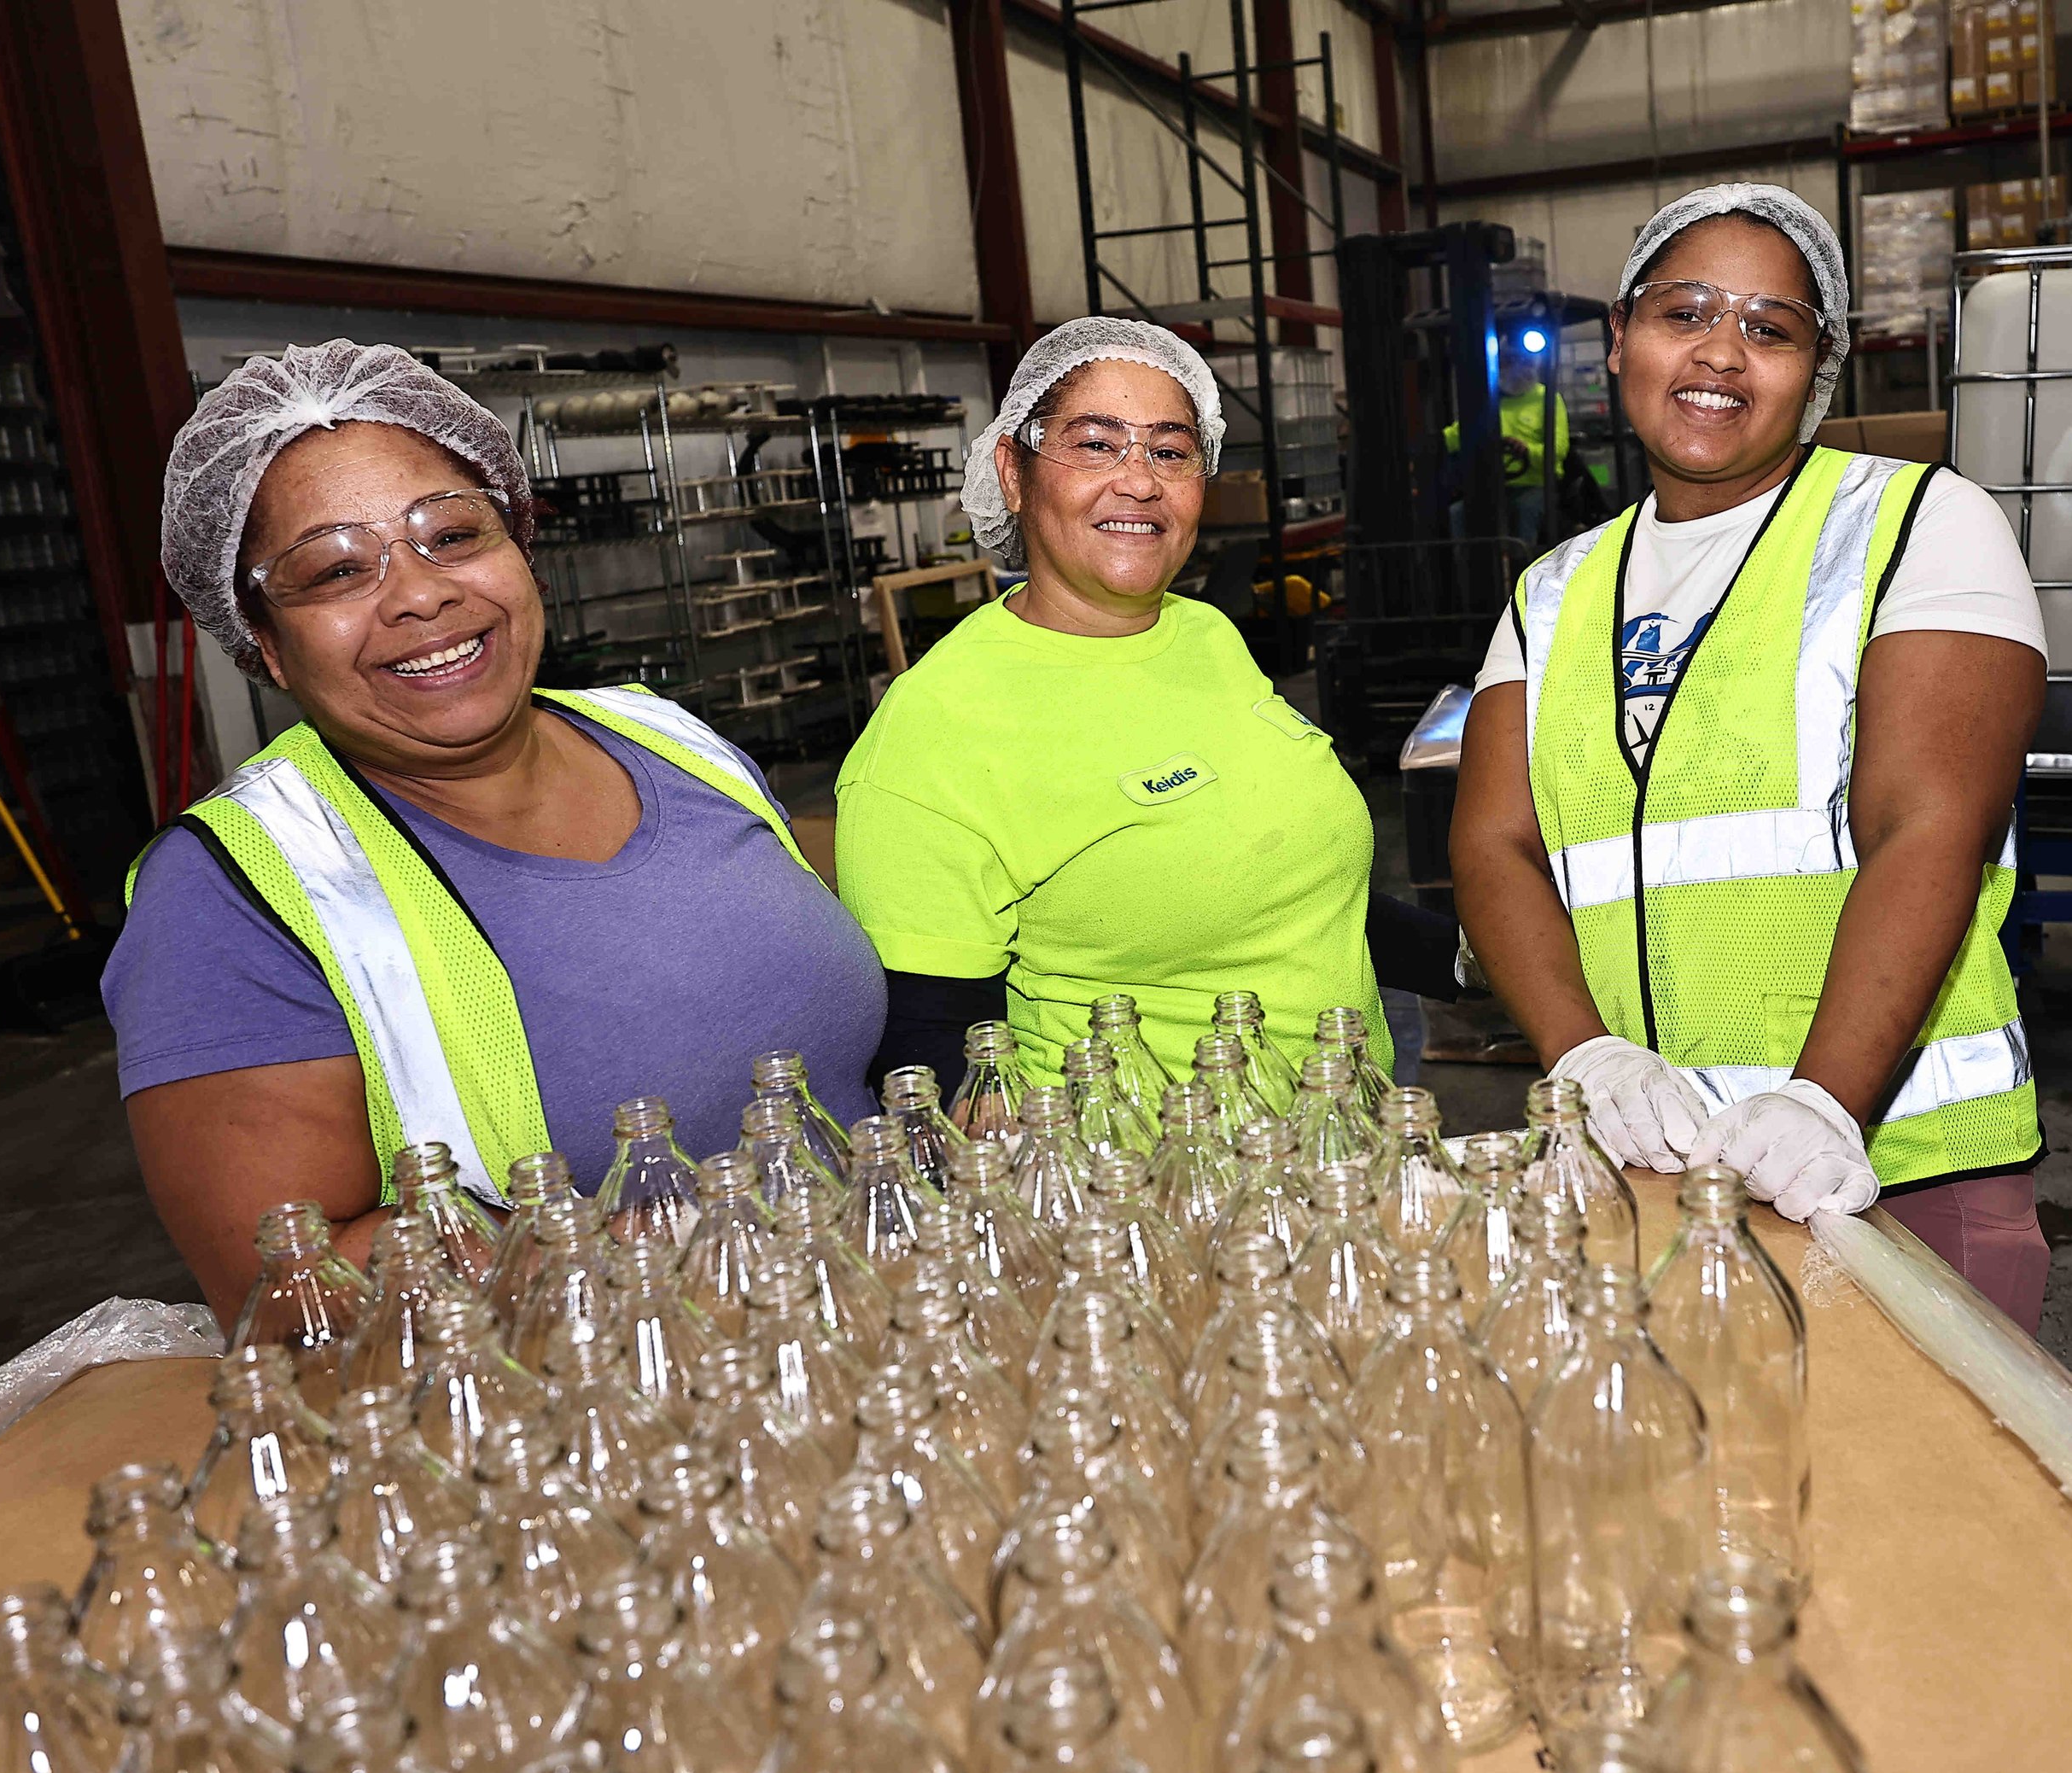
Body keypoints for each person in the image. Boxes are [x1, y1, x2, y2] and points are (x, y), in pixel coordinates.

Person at [107, 341, 884, 1321]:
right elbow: (290, 1295)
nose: (421, 593)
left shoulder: (663, 734)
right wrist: (615, 1256)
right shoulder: (235, 891)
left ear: (520, 545)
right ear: (262, 639)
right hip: (607, 1422)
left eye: (453, 534)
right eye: (336, 569)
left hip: (889, 1338)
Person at [1450, 184, 2050, 1330]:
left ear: (1816, 369)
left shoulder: (1918, 523)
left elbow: (1929, 822)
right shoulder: (1555, 589)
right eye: (1686, 313)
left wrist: (1827, 1101)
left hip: (1887, 1169)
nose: (1721, 351)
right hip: (1653, 1168)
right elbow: (1494, 840)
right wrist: (1587, 1055)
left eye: (1769, 329)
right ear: (1621, 336)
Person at [834, 316, 1456, 1096]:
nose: (1139, 479)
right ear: (1014, 471)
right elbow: (932, 1065)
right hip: (1147, 1191)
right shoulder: (937, 732)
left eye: (1170, 451)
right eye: (1096, 443)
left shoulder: (1204, 635)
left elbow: (1289, 897)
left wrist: (1474, 960)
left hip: (1341, 1156)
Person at [1445, 320, 1575, 546]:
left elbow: (1558, 449)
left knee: (1524, 510)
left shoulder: (1547, 398)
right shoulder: (1487, 402)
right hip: (1492, 484)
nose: (1517, 367)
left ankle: (1524, 571)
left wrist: (1526, 449)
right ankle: (1463, 571)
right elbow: (1456, 436)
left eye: (1523, 361)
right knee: (1457, 513)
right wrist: (1429, 445)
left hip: (1536, 484)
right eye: (1509, 360)